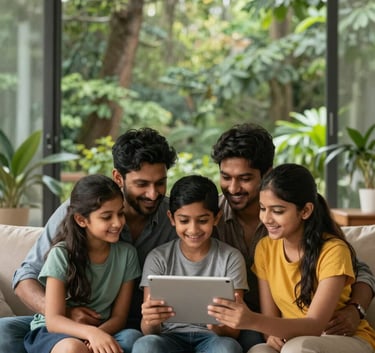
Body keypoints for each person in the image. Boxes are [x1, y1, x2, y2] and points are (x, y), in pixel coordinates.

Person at [0, 127, 178, 353]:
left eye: (160, 183)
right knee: (3, 332)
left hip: (125, 324)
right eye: (142, 184)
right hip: (64, 319)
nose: (153, 194)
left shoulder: (174, 219)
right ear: (118, 178)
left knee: (135, 340)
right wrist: (67, 313)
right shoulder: (80, 210)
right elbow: (26, 277)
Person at [211, 123, 375, 351]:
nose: (233, 187)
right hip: (258, 326)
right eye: (226, 177)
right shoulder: (209, 219)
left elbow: (358, 269)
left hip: (308, 332)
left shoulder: (318, 234)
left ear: (267, 173)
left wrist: (356, 308)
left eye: (245, 178)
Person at [24, 174, 142, 353]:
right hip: (56, 331)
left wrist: (98, 335)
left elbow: (119, 317)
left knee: (131, 338)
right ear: (81, 220)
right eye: (106, 217)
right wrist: (91, 334)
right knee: (73, 348)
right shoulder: (61, 254)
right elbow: (53, 320)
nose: (118, 223)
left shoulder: (127, 255)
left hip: (103, 328)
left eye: (120, 213)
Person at [132, 175, 247, 353]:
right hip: (169, 337)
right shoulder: (158, 257)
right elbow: (148, 331)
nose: (193, 230)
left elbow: (233, 332)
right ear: (171, 218)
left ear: (216, 218)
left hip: (213, 338)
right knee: (145, 345)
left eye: (202, 220)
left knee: (227, 347)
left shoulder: (230, 258)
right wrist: (151, 320)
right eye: (184, 221)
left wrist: (216, 326)